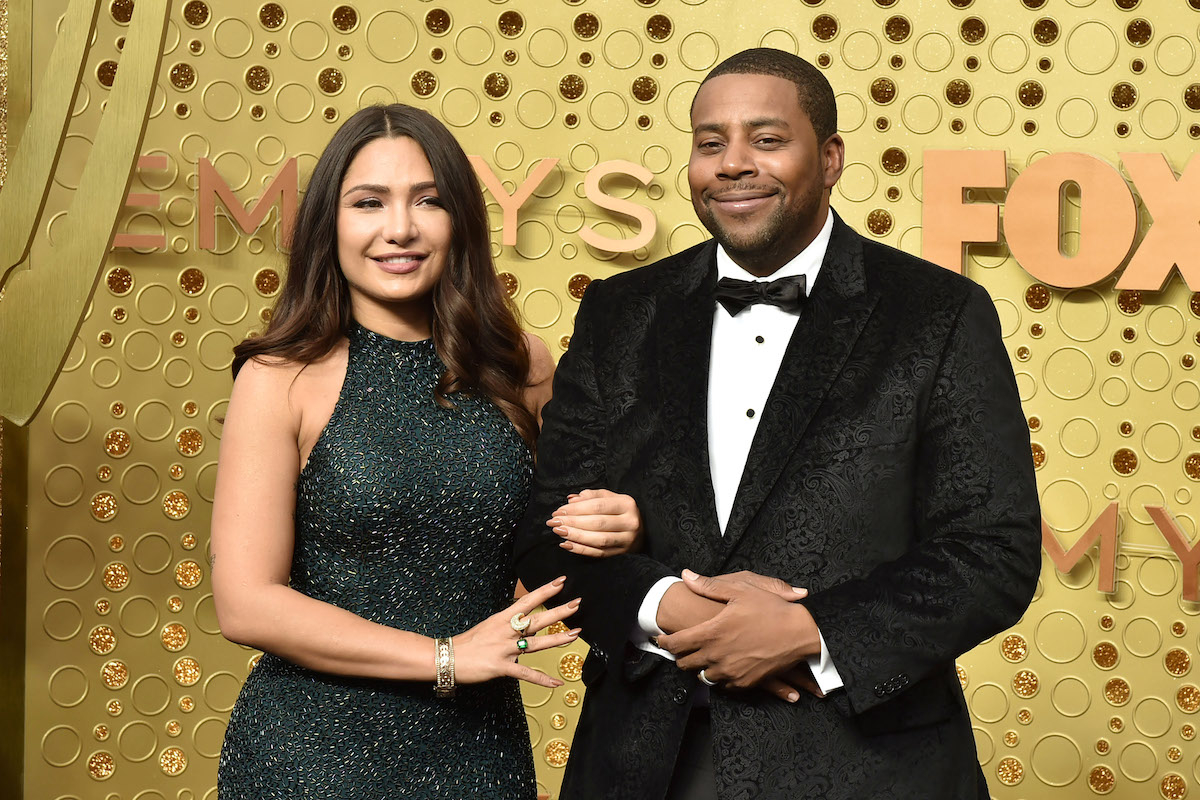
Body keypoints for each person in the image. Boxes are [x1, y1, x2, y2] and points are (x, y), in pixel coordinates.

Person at [514, 49, 1042, 799]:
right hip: (645, 761)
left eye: (766, 140)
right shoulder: (620, 312)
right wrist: (668, 605)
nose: (732, 164)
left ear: (829, 159)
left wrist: (813, 631)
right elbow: (545, 530)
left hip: (866, 766)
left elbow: (994, 549)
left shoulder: (939, 314)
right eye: (709, 142)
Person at [209, 104, 645, 799]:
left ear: (461, 221)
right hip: (310, 758)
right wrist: (446, 657)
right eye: (368, 203)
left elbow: (557, 542)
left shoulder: (519, 364)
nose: (400, 228)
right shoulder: (280, 376)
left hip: (480, 751)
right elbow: (246, 603)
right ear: (330, 224)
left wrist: (619, 523)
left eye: (428, 201)